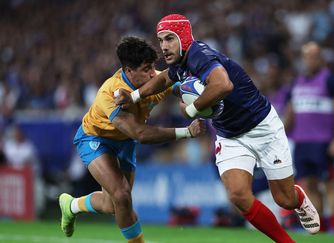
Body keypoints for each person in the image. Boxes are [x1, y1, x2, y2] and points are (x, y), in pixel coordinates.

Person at [115, 14, 320, 243]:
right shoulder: (179, 64)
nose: (164, 46)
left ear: (183, 38)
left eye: (169, 38)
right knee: (238, 195)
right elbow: (164, 79)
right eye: (161, 40)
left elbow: (223, 84)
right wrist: (133, 96)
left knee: (285, 200)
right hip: (230, 135)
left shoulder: (199, 55)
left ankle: (298, 198)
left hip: (262, 127)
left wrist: (191, 111)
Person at [58, 36, 205, 243]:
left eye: (153, 67)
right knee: (122, 194)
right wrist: (186, 132)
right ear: (128, 71)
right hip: (96, 138)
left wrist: (192, 102)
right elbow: (140, 134)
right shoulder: (110, 94)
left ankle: (71, 206)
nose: (152, 73)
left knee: (114, 205)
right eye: (146, 69)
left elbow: (181, 88)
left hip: (125, 141)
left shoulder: (155, 80)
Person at [283, 42, 334, 232]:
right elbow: (290, 113)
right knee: (308, 185)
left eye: (314, 56)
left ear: (321, 59)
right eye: (307, 57)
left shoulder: (330, 81)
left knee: (329, 184)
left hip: (323, 141)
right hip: (301, 141)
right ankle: (320, 227)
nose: (310, 60)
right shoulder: (296, 82)